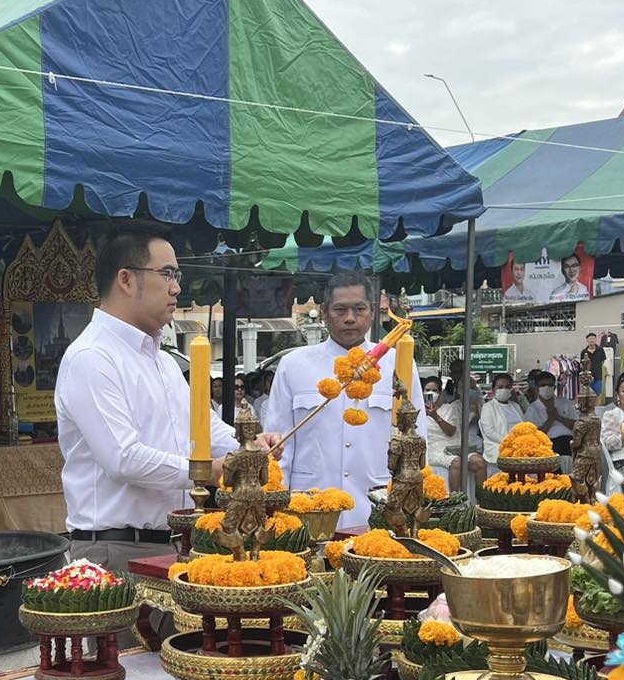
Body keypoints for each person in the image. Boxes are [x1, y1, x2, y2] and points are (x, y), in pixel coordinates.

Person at [55, 221, 272, 576]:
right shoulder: (92, 357)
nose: (176, 288)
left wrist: (249, 446)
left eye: (177, 275)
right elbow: (123, 458)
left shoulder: (164, 361)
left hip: (176, 541)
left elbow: (203, 428)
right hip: (118, 547)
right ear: (126, 280)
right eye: (167, 274)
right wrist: (209, 471)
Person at [266, 270, 424, 529]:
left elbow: (418, 441)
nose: (350, 318)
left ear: (372, 312)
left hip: (379, 508)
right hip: (310, 508)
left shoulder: (398, 363)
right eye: (340, 310)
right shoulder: (293, 365)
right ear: (324, 313)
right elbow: (278, 446)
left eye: (359, 309)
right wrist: (276, 510)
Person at [423, 373, 483, 494]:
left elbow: (451, 432)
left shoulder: (450, 408)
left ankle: (482, 499)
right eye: (427, 390)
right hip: (435, 449)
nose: (431, 393)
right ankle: (456, 500)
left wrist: (435, 415)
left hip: (455, 446)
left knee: (479, 462)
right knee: (456, 462)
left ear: (440, 392)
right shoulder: (419, 410)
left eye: (434, 390)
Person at [524, 371, 579, 458]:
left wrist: (559, 417)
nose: (547, 388)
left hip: (569, 442)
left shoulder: (565, 403)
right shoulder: (533, 408)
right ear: (537, 388)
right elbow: (534, 435)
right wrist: (550, 419)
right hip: (548, 444)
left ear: (554, 387)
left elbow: (576, 426)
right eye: (543, 385)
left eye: (550, 385)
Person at [479, 372, 525, 474]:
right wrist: (509, 442)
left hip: (519, 449)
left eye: (507, 387)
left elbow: (523, 426)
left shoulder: (515, 406)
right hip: (498, 449)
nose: (504, 389)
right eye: (500, 387)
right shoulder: (488, 407)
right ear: (493, 389)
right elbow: (489, 432)